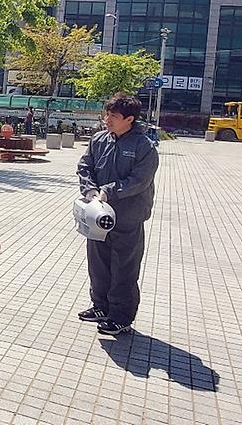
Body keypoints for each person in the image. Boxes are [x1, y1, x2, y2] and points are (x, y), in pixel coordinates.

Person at [76, 94, 159, 336]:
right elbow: (85, 166)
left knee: (124, 268)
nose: (107, 119)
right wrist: (90, 190)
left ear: (129, 119)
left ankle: (121, 316)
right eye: (107, 114)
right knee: (98, 264)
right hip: (97, 216)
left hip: (128, 217)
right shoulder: (99, 140)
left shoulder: (144, 147)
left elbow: (139, 181)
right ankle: (101, 306)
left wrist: (108, 191)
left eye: (113, 116)